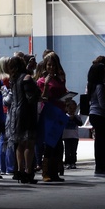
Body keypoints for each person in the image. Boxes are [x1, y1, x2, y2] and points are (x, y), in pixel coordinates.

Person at [4, 54, 40, 184]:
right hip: (27, 113)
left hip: (15, 113)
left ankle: (19, 171)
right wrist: (39, 94)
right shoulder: (26, 77)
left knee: (19, 143)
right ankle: (28, 172)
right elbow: (31, 97)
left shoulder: (13, 79)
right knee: (29, 143)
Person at [37, 52, 68, 182]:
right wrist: (46, 84)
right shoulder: (41, 81)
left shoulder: (59, 80)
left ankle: (55, 171)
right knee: (49, 144)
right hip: (49, 112)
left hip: (59, 112)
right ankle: (45, 172)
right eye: (48, 65)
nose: (50, 68)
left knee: (58, 144)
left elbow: (63, 92)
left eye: (53, 65)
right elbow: (43, 98)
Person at [85, 56, 105, 177]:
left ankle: (99, 166)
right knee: (104, 141)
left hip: (93, 114)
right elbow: (103, 104)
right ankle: (100, 167)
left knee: (100, 142)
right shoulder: (100, 86)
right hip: (100, 115)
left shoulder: (91, 85)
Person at [62, 98, 83, 170]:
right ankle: (67, 162)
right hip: (66, 136)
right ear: (67, 108)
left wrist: (74, 118)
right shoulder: (64, 116)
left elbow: (80, 124)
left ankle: (73, 162)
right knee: (67, 150)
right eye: (70, 108)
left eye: (74, 108)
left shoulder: (77, 117)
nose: (72, 110)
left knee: (74, 151)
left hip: (74, 137)